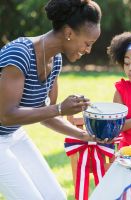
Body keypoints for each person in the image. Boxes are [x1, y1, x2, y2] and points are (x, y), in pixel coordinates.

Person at [0, 0, 102, 199]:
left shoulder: (54, 60)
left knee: (57, 196)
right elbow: (5, 115)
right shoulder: (20, 53)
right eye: (87, 44)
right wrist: (60, 109)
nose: (88, 50)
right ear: (69, 33)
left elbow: (45, 114)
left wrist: (84, 136)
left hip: (14, 134)